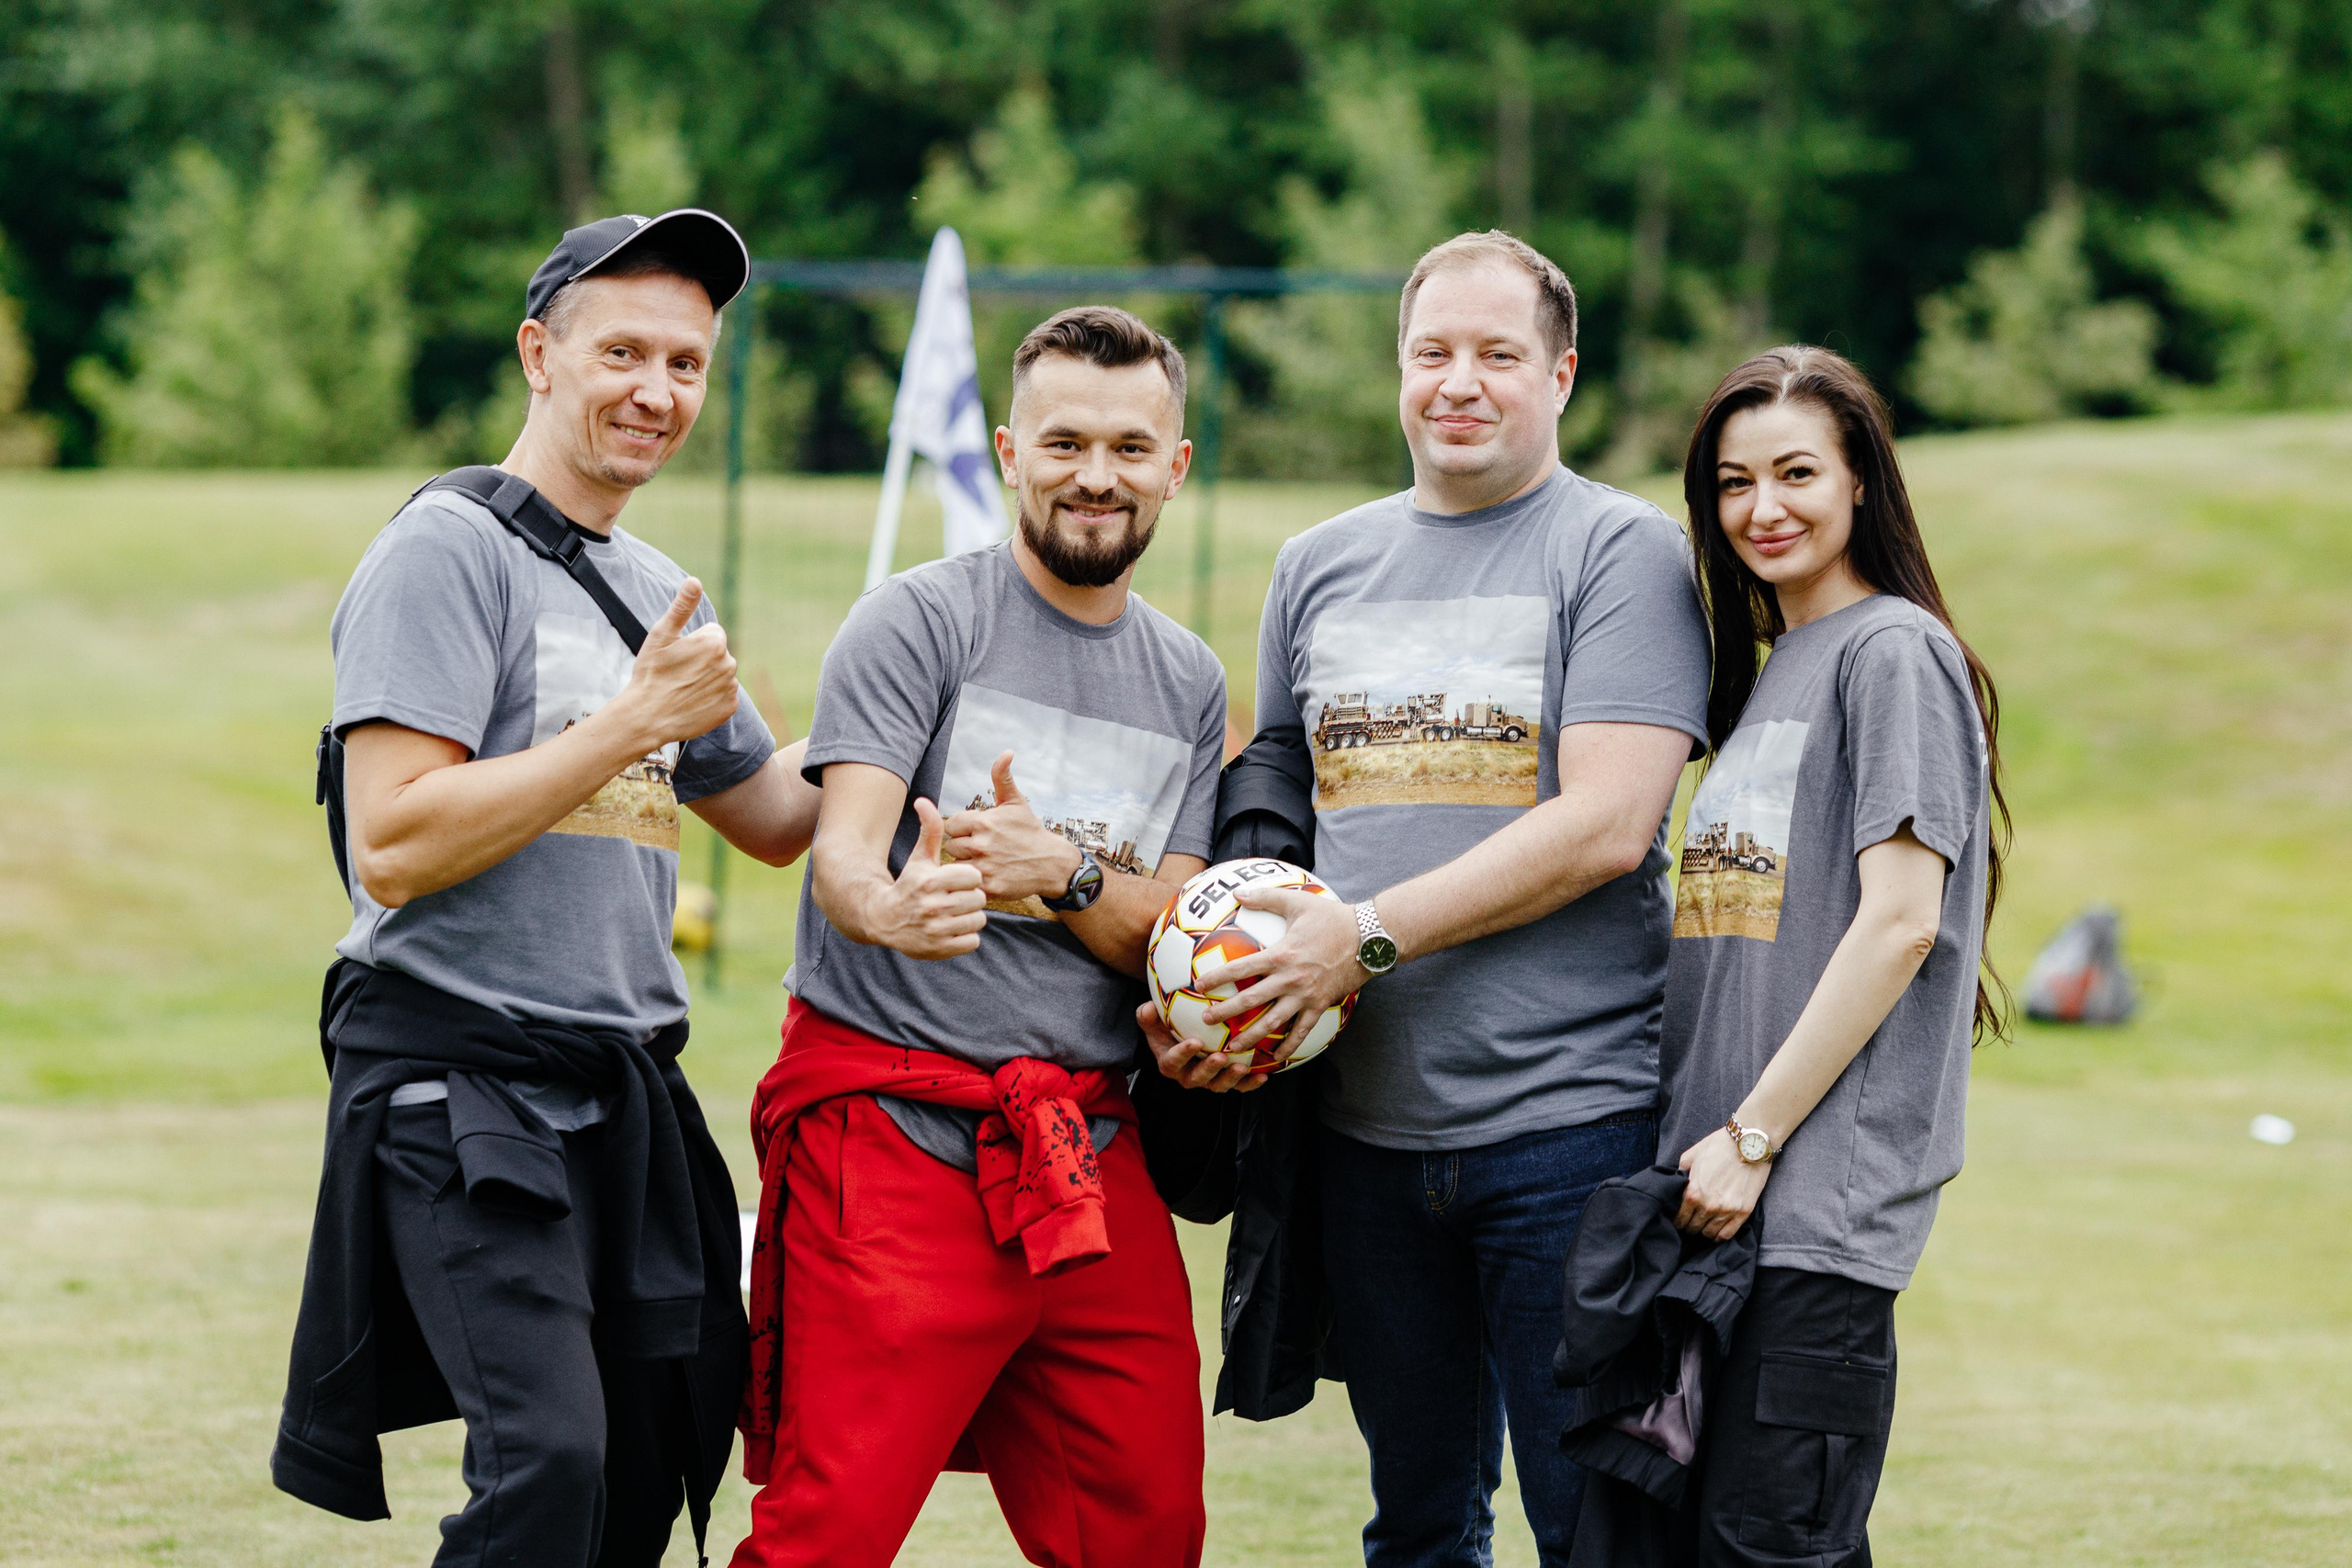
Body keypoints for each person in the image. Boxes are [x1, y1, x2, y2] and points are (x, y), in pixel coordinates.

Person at [1144, 231, 1712, 1566]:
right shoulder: (1318, 563)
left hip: (1567, 1129)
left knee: (1594, 1526)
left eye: (1498, 354)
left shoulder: (1621, 554)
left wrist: (1365, 935)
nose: (1461, 382)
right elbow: (1275, 812)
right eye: (1432, 353)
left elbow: (1609, 825)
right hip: (1364, 1136)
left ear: (1561, 373)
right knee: (1416, 1526)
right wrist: (1221, 996)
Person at [272, 209, 822, 1567]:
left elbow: (770, 814)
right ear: (540, 353)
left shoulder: (651, 590)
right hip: (462, 1089)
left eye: (688, 363)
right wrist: (630, 726)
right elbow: (390, 843)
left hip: (621, 1092)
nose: (658, 389)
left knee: (641, 1470)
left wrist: (918, 698)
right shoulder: (447, 549)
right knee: (548, 1464)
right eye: (623, 350)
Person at [730, 306, 1224, 1568]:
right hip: (892, 1134)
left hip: (1086, 1150)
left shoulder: (1190, 681)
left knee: (1146, 1529)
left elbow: (1168, 935)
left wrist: (1059, 869)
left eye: (1128, 446)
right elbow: (843, 848)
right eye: (1064, 442)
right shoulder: (916, 620)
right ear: (1011, 451)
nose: (1095, 476)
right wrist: (892, 905)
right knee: (827, 1529)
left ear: (1175, 464)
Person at [1658, 345, 2007, 1564]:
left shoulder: (1893, 654)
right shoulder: (1769, 678)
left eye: (1798, 471)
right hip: (1722, 1207)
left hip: (1807, 1210)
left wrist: (1753, 1139)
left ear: (1863, 481)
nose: (1764, 508)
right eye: (1733, 482)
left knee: (1772, 1546)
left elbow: (1903, 921)